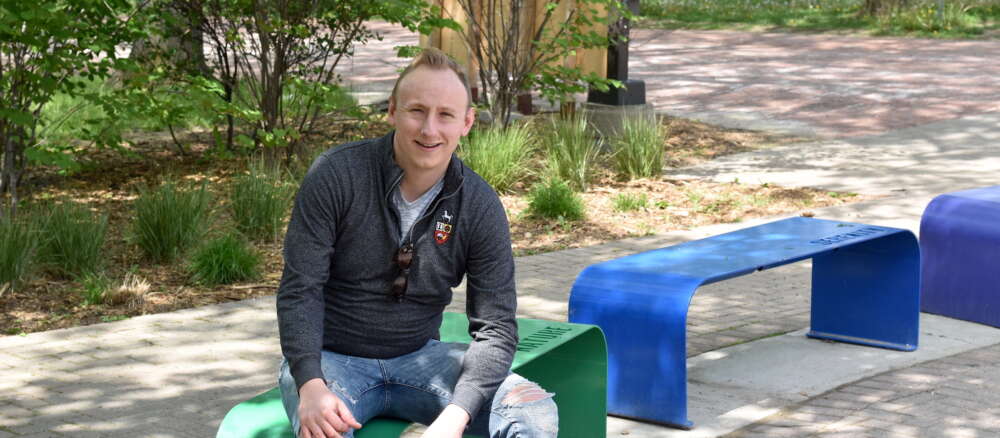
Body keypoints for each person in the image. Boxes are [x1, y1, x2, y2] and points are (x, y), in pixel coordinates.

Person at [276, 47, 559, 438]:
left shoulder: (479, 205)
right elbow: (299, 289)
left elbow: (495, 327)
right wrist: (310, 383)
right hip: (331, 362)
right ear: (392, 111)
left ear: (467, 122)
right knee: (325, 431)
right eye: (416, 111)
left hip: (422, 359)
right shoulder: (337, 174)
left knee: (533, 409)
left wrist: (455, 416)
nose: (429, 129)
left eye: (445, 115)